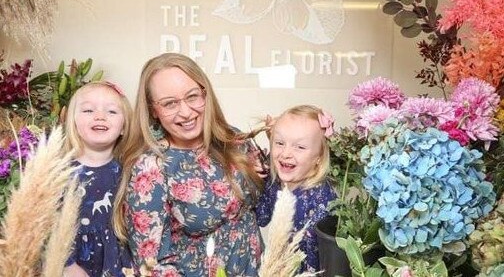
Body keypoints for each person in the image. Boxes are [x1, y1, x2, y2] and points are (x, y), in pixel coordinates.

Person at [113, 53, 264, 276]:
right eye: (170, 103)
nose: (185, 112)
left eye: (192, 97)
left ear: (205, 94)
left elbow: (270, 205)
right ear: (153, 110)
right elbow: (153, 265)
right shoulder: (150, 167)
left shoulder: (234, 139)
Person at [63, 81, 134, 277]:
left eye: (111, 112)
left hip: (118, 265)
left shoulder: (130, 172)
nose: (100, 116)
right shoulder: (59, 173)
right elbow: (46, 226)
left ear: (123, 127)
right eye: (88, 110)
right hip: (72, 265)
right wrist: (67, 266)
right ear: (73, 122)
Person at [256, 104, 337, 273]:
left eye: (299, 147)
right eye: (279, 143)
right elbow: (261, 217)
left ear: (319, 157)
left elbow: (318, 263)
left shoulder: (322, 199)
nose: (285, 153)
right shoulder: (275, 181)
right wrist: (258, 176)